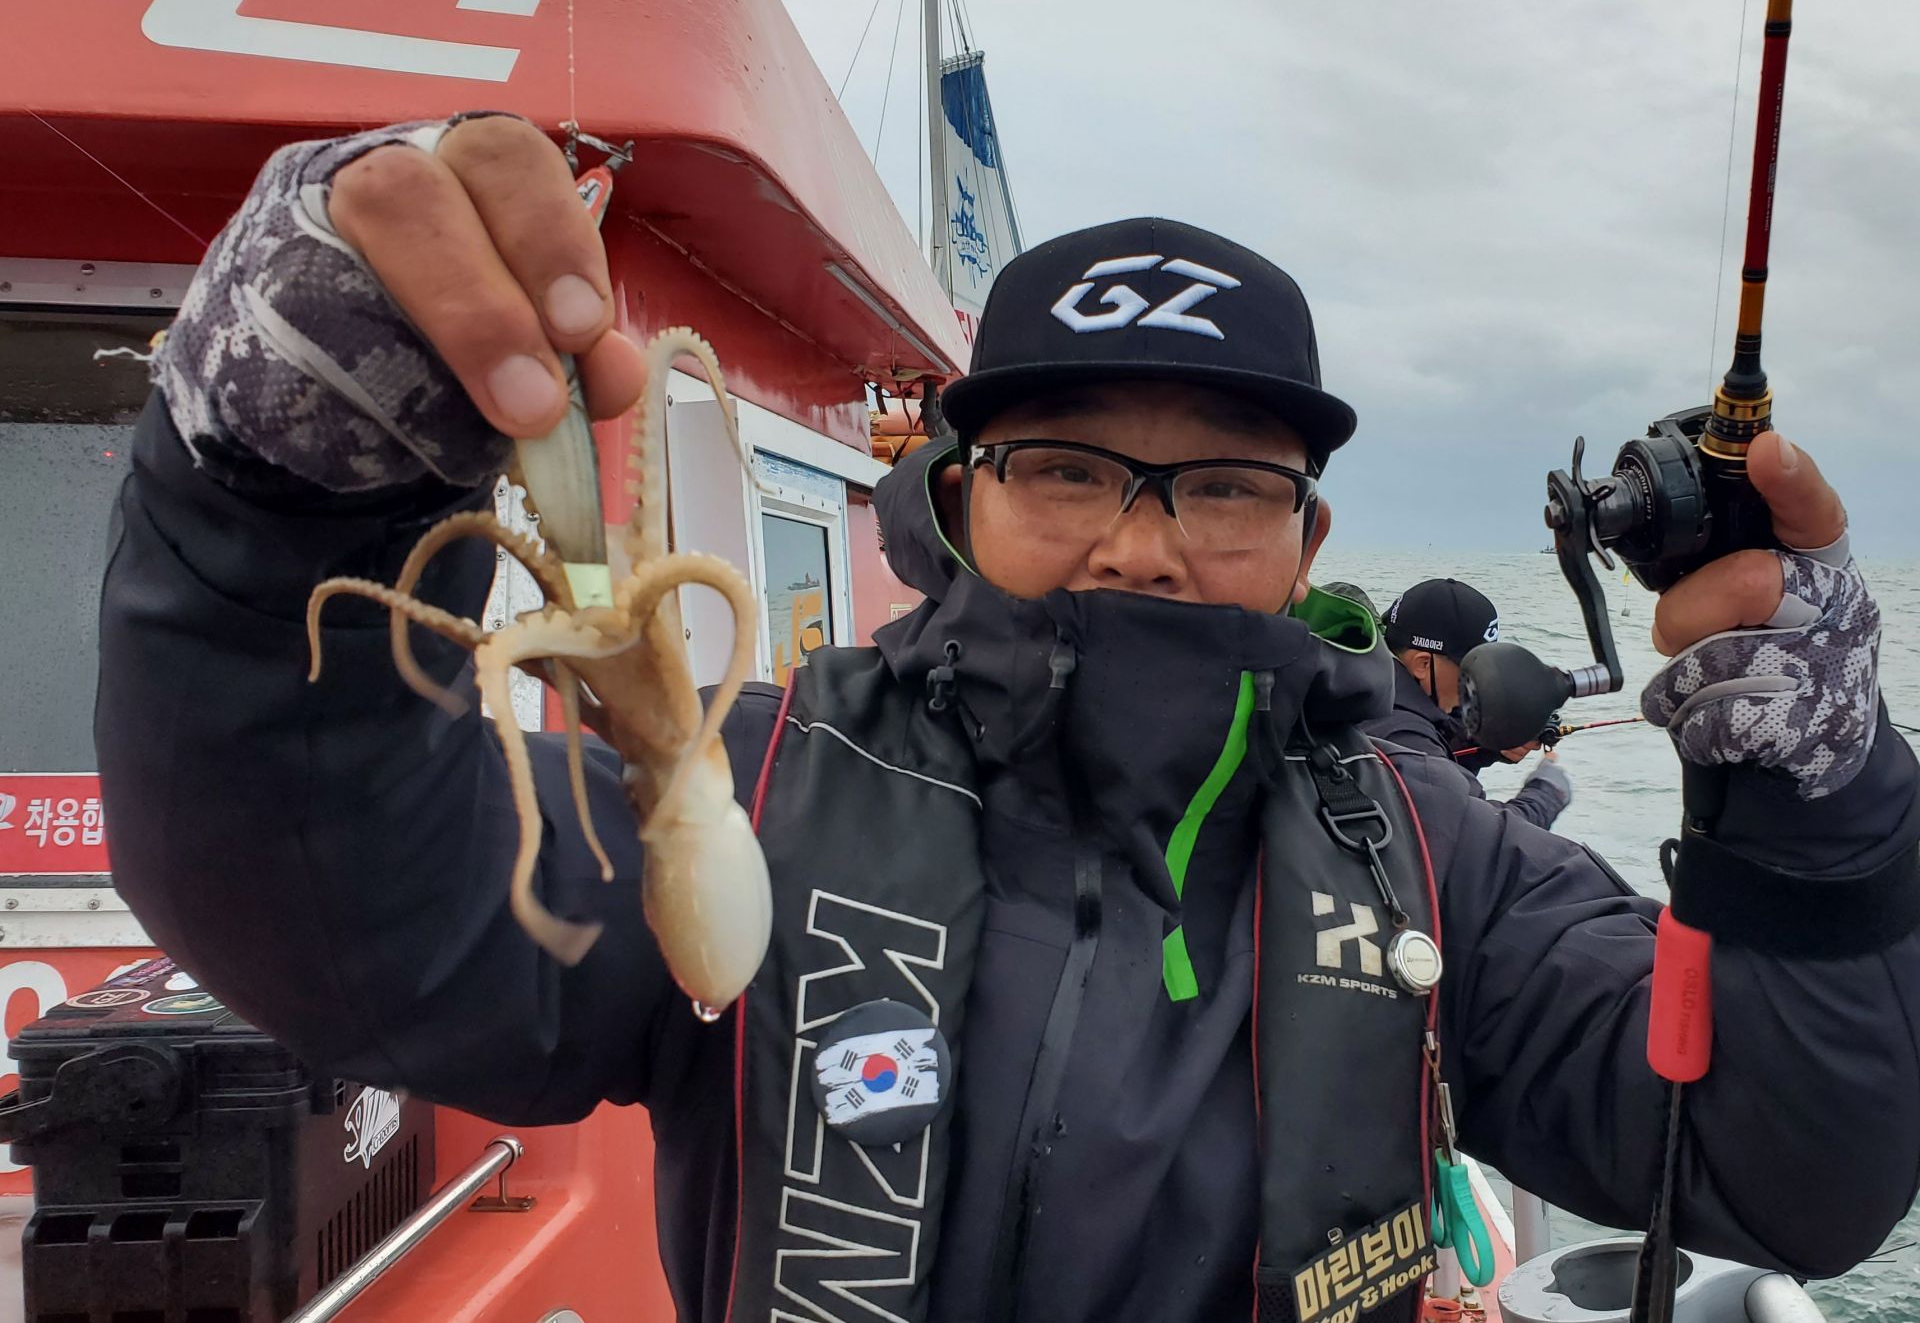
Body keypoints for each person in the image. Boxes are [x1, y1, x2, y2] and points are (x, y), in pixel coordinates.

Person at [95, 116, 1919, 1323]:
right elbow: (343, 908)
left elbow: (1790, 1170)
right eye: (1066, 466)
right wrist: (265, 499)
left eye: (1222, 485)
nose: (1139, 542)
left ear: (1307, 545)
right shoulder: (743, 786)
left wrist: (1825, 798)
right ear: (960, 502)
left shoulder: (1438, 853)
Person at [1367, 577, 1574, 829]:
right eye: (1470, 670)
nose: (1476, 684)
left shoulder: (1372, 688)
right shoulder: (1400, 734)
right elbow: (1483, 836)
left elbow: (1428, 758)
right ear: (1423, 663)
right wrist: (1547, 794)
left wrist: (1486, 744)